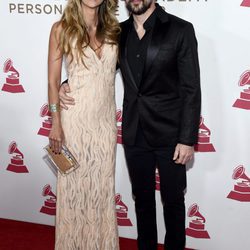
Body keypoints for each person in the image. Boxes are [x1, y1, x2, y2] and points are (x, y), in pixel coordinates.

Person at [59, 0, 201, 249]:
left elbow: (191, 89)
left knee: (173, 200)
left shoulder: (181, 29)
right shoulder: (117, 33)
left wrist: (187, 139)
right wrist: (65, 84)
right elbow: (97, 69)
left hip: (171, 135)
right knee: (142, 200)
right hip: (134, 132)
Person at [47, 0, 120, 249]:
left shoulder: (114, 30)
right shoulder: (61, 29)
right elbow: (52, 81)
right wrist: (55, 122)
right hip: (74, 122)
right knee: (73, 189)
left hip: (105, 125)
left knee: (101, 189)